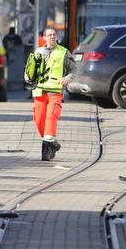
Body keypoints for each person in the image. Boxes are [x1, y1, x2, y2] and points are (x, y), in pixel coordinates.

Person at [24, 27, 73, 161]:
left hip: (55, 91)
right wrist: (27, 77)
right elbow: (29, 68)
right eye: (49, 35)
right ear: (44, 38)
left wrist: (68, 77)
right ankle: (53, 144)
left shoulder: (64, 52)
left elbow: (75, 69)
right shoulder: (38, 51)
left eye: (54, 35)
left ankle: (48, 148)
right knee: (39, 120)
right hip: (39, 91)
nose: (52, 37)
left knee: (51, 116)